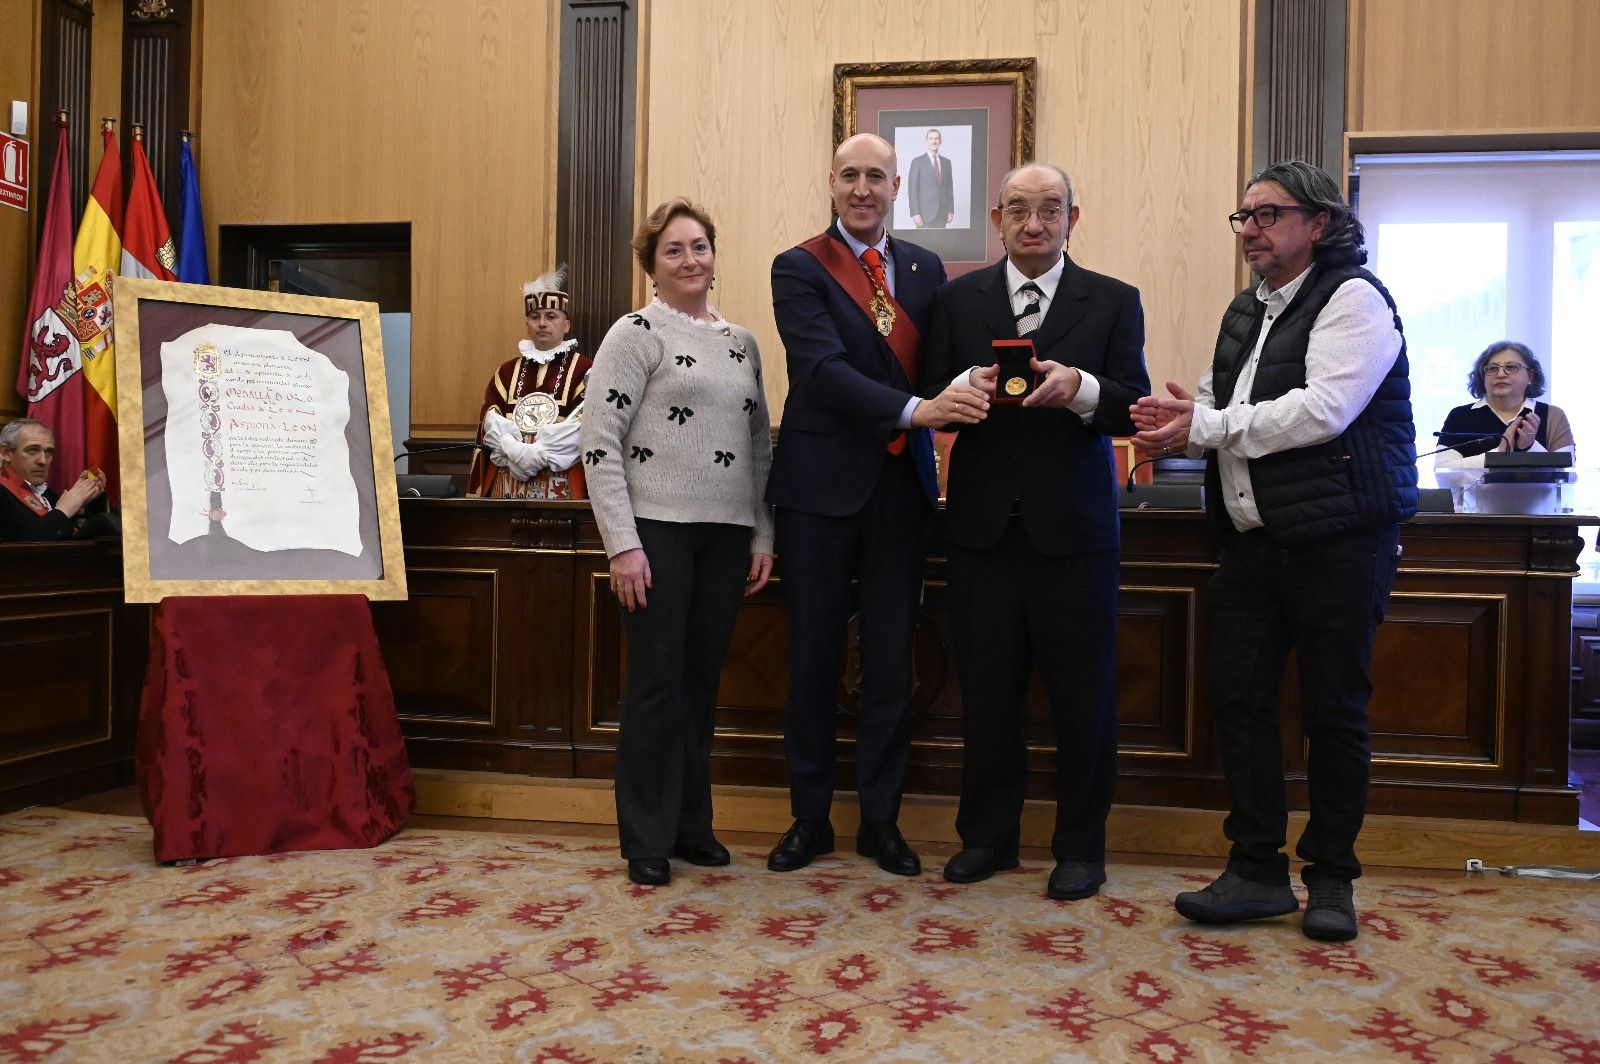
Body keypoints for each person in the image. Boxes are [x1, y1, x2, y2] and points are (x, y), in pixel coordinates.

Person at [1130, 160, 1417, 942]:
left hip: (1339, 542)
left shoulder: (1355, 298)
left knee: (1333, 712)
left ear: (1318, 224)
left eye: (1267, 214)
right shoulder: (1244, 309)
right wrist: (1187, 413)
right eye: (1244, 217)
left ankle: (1330, 879)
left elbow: (1323, 410)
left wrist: (1208, 425)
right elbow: (1225, 405)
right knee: (1238, 702)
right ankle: (1255, 870)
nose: (1249, 229)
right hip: (1252, 545)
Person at [922, 163, 1149, 901]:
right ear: (997, 220)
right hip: (983, 529)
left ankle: (1081, 848)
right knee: (987, 695)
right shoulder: (958, 300)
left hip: (1075, 533)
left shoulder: (1113, 301)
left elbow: (1130, 405)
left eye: (1050, 210)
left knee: (1083, 699)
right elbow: (927, 394)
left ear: (1072, 220)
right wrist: (961, 391)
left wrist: (1080, 389)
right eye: (1019, 210)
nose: (1034, 223)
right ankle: (986, 837)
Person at [766, 132, 989, 877]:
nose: (863, 188)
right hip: (817, 492)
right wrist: (918, 412)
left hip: (900, 493)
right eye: (850, 175)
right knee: (815, 659)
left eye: (877, 177)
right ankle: (809, 819)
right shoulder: (798, 266)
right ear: (831, 183)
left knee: (893, 660)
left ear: (897, 188)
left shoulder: (927, 270)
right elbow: (821, 371)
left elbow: (950, 364)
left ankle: (882, 821)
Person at [578, 198, 775, 887]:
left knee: (699, 686)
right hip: (655, 532)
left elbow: (758, 446)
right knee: (656, 687)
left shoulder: (742, 343)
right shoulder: (635, 333)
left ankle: (693, 825)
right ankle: (647, 835)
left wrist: (762, 532)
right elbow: (598, 441)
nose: (691, 259)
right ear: (651, 265)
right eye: (675, 250)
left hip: (726, 539)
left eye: (700, 247)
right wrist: (622, 545)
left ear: (714, 257)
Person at [466, 265, 592, 500]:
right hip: (507, 484)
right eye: (535, 317)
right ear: (527, 324)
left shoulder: (586, 370)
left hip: (562, 486)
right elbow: (490, 420)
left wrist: (538, 454)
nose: (542, 323)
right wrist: (514, 450)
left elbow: (585, 426)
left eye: (551, 316)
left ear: (566, 325)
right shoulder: (505, 372)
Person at [1435, 341, 1574, 466]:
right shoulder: (1460, 416)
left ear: (1530, 376)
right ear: (1482, 376)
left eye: (1512, 367)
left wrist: (1530, 447)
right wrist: (1498, 454)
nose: (1500, 374)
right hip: (1474, 496)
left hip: (1538, 496)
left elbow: (1568, 474)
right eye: (1492, 368)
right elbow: (1443, 473)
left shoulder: (1553, 416)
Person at [0, 419, 106, 542]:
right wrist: (63, 511)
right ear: (6, 453)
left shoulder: (47, 495)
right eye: (32, 450)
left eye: (48, 452)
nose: (43, 461)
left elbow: (68, 541)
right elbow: (17, 547)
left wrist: (81, 505)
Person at [906, 128, 956, 229]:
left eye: (936, 138)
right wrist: (915, 214)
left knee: (941, 243)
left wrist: (950, 210)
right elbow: (912, 189)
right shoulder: (917, 162)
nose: (934, 141)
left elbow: (949, 188)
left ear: (940, 141)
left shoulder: (947, 163)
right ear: (926, 141)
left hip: (942, 213)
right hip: (925, 215)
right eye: (931, 138)